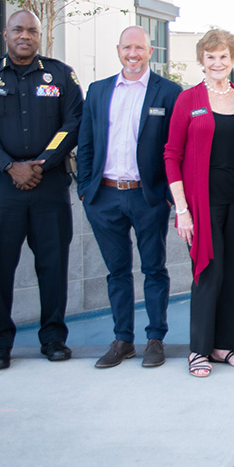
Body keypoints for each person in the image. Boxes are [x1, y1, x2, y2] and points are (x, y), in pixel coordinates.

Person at [0, 9, 83, 370]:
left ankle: (53, 338)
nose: (24, 35)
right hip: (2, 185)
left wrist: (41, 162)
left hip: (50, 184)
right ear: (5, 34)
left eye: (31, 30)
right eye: (18, 29)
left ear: (39, 35)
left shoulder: (60, 74)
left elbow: (72, 122)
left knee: (53, 264)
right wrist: (9, 165)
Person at [76, 25, 181, 369]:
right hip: (105, 196)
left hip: (147, 197)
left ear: (150, 51)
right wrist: (86, 191)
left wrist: (167, 196)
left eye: (139, 48)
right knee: (117, 272)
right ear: (118, 50)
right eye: (127, 48)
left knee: (154, 269)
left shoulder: (168, 93)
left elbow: (174, 148)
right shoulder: (98, 90)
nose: (132, 54)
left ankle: (155, 339)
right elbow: (87, 143)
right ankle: (123, 340)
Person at [164, 29, 234, 378]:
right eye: (210, 57)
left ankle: (223, 347)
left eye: (223, 56)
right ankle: (198, 350)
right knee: (208, 272)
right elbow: (171, 155)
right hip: (203, 203)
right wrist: (182, 209)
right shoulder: (188, 99)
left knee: (232, 274)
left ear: (232, 60)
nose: (217, 63)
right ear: (201, 61)